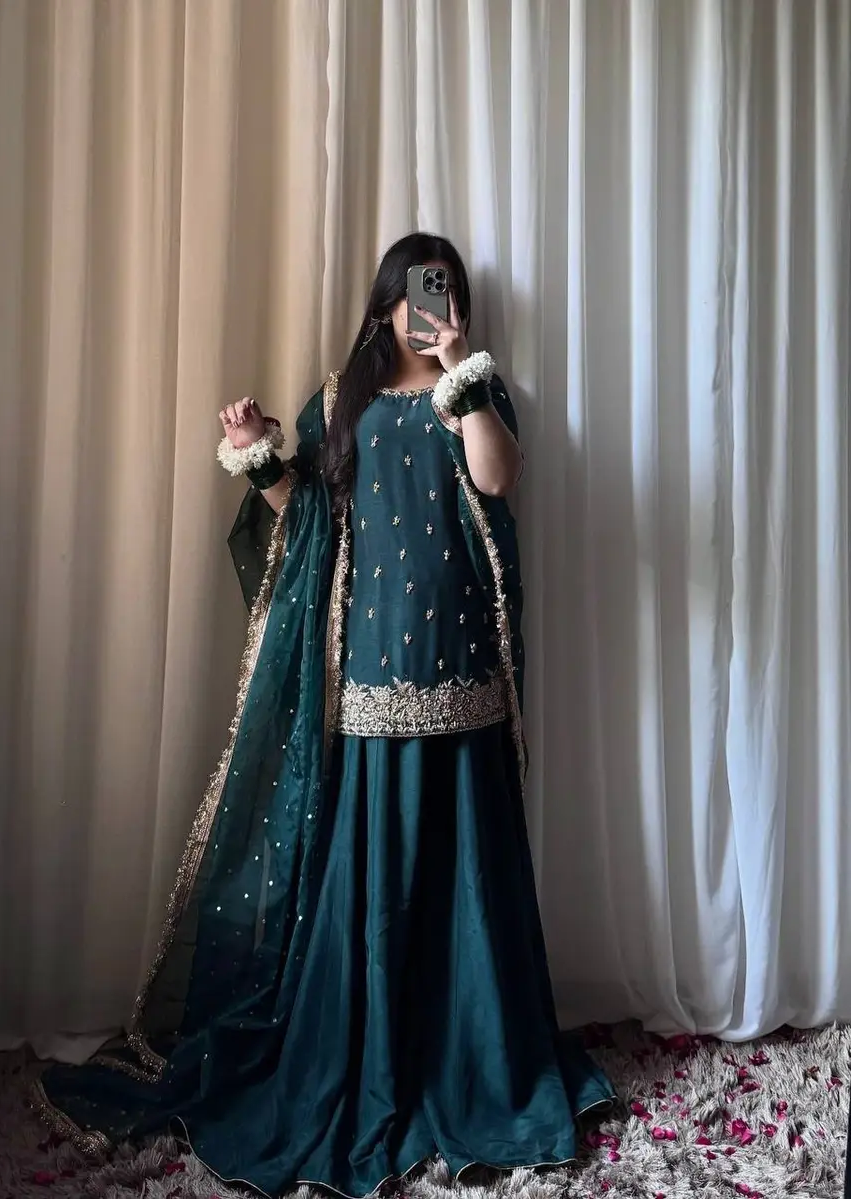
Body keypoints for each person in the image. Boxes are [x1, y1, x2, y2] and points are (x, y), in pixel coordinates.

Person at [34, 233, 615, 1197]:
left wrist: (462, 373)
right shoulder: (342, 401)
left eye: (446, 293)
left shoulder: (472, 389)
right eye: (417, 292)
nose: (430, 307)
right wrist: (255, 452)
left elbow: (498, 480)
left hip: (462, 679)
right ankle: (364, 1051)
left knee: (466, 875)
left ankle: (470, 1056)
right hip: (369, 683)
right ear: (384, 302)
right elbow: (305, 516)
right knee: (372, 879)